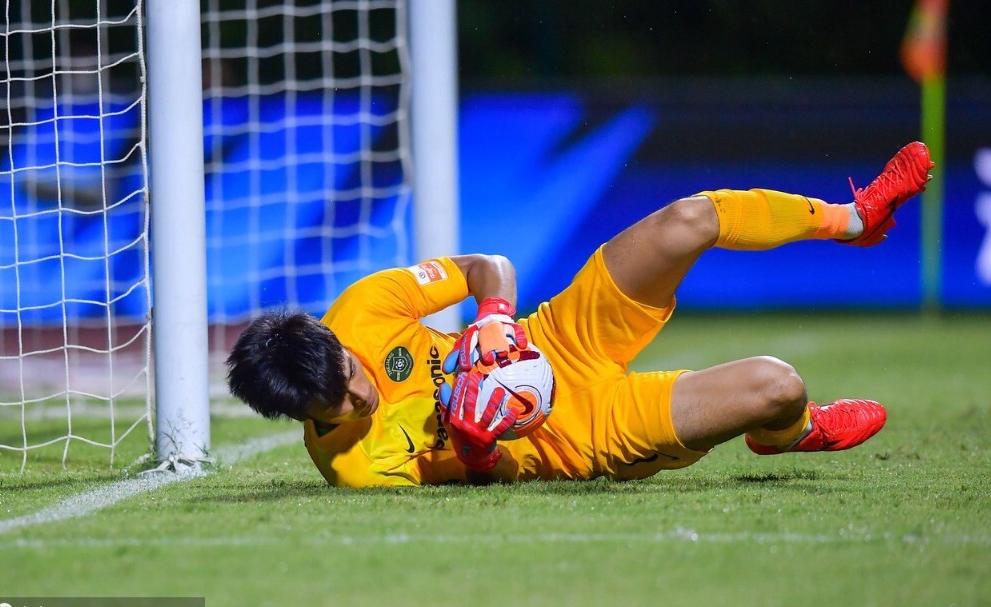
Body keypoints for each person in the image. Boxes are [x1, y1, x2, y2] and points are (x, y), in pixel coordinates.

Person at [226, 141, 934, 487]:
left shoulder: (360, 309)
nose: (359, 393)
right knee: (779, 385)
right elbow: (490, 483)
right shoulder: (355, 466)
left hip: (556, 335)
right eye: (337, 402)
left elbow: (486, 267)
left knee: (690, 219)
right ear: (301, 416)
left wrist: (493, 315)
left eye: (349, 371)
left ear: (332, 337)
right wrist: (476, 450)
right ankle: (792, 434)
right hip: (574, 434)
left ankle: (853, 217)